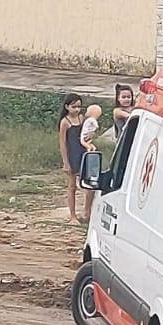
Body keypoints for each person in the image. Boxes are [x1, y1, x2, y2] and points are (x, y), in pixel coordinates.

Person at [58, 94, 87, 226]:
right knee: (72, 186)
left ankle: (86, 211)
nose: (76, 109)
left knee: (89, 185)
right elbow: (62, 143)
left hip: (83, 153)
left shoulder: (82, 118)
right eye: (73, 106)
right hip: (72, 155)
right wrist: (65, 162)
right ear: (67, 107)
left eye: (78, 106)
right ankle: (73, 216)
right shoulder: (65, 122)